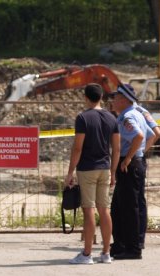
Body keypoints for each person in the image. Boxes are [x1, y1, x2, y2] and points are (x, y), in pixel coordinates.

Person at [65, 84, 120, 265]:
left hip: (87, 168)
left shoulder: (83, 117)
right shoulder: (112, 117)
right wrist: (113, 172)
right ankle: (105, 253)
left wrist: (70, 171)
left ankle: (87, 254)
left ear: (86, 97)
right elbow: (117, 148)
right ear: (101, 96)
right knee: (104, 210)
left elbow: (78, 147)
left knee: (88, 210)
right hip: (105, 168)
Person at [109, 84, 155, 260]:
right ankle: (122, 245)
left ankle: (133, 249)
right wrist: (139, 155)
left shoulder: (128, 116)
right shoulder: (136, 114)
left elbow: (140, 136)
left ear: (124, 99)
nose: (113, 101)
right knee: (119, 207)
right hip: (134, 162)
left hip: (128, 164)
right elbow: (152, 134)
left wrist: (129, 158)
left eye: (115, 98)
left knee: (128, 208)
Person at [124, 83, 160, 249]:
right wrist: (142, 151)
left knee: (131, 201)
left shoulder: (132, 113)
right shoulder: (143, 111)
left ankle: (133, 241)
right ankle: (139, 238)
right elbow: (156, 133)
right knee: (140, 200)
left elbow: (153, 134)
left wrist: (136, 152)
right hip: (140, 158)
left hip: (132, 158)